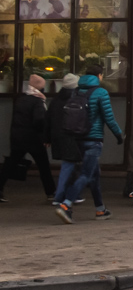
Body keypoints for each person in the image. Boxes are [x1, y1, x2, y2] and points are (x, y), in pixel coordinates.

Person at [55, 64, 123, 223]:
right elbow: (109, 118)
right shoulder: (101, 92)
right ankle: (66, 205)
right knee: (86, 174)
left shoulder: (76, 91)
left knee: (94, 175)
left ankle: (100, 209)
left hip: (78, 138)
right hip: (94, 140)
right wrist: (119, 135)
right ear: (99, 76)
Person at [0, 74, 55, 203]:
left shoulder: (21, 99)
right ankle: (51, 192)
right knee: (43, 166)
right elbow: (39, 120)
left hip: (18, 137)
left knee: (10, 164)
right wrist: (45, 136)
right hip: (33, 139)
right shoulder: (38, 101)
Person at [44, 74, 84, 207]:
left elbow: (48, 120)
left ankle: (69, 194)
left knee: (70, 165)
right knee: (69, 166)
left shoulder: (56, 100)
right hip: (70, 136)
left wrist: (47, 138)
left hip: (58, 136)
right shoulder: (75, 100)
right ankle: (61, 195)